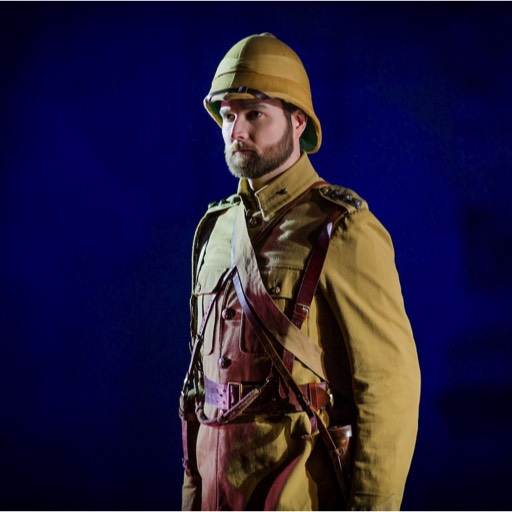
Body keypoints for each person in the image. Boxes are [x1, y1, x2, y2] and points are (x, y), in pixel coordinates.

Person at [179, 33, 421, 511]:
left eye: (254, 114)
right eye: (228, 116)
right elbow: (196, 389)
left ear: (297, 121)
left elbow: (390, 392)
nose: (236, 131)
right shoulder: (215, 230)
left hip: (297, 494)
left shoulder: (343, 228)